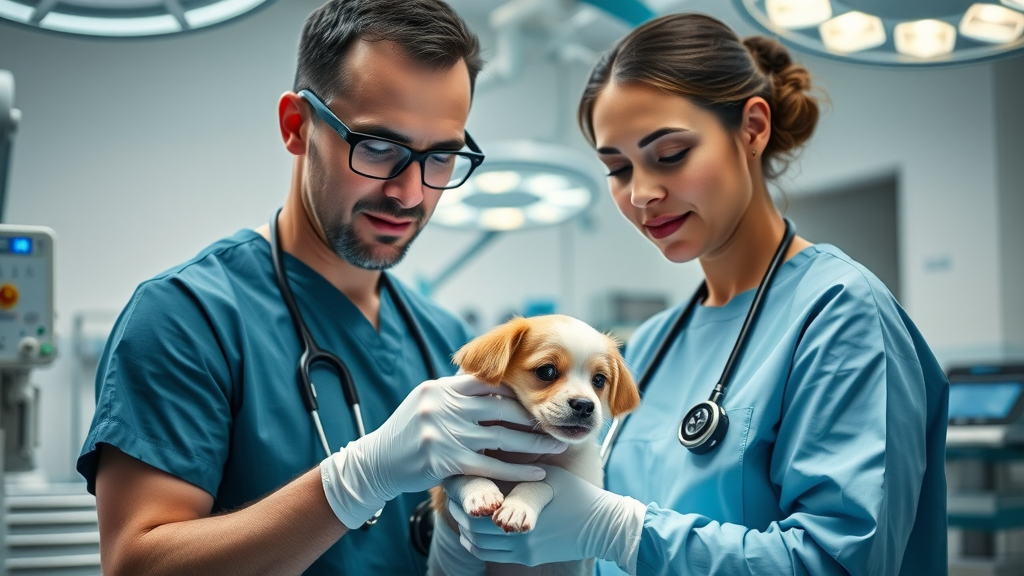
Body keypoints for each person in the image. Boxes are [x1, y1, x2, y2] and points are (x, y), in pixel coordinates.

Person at [445, 13, 950, 576]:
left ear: (753, 129)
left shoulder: (843, 314)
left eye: (670, 154)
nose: (641, 193)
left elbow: (839, 562)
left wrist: (624, 532)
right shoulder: (656, 341)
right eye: (616, 168)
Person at [75, 1, 568, 574]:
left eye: (441, 157)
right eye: (379, 148)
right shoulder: (186, 317)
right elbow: (137, 565)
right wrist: (355, 481)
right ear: (296, 126)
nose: (410, 193)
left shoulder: (449, 340)